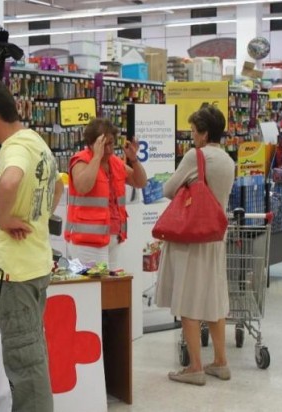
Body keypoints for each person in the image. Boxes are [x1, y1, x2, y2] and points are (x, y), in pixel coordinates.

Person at [0, 79, 63, 412]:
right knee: (32, 351)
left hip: (14, 272)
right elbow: (58, 186)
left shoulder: (15, 148)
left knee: (24, 361)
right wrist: (39, 218)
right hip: (35, 263)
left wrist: (6, 217)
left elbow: (9, 181)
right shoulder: (36, 141)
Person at [154, 106, 236, 386]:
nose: (191, 136)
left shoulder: (196, 156)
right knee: (214, 299)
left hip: (191, 238)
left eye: (193, 131)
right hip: (215, 237)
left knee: (187, 299)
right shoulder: (228, 161)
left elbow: (168, 189)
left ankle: (195, 367)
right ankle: (221, 362)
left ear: (204, 133)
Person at [64, 118, 147, 269]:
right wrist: (96, 157)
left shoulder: (115, 162)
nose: (109, 149)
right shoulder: (81, 160)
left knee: (112, 283)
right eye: (104, 144)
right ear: (92, 144)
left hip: (113, 238)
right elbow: (82, 187)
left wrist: (134, 159)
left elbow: (140, 182)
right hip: (86, 242)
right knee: (91, 283)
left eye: (111, 143)